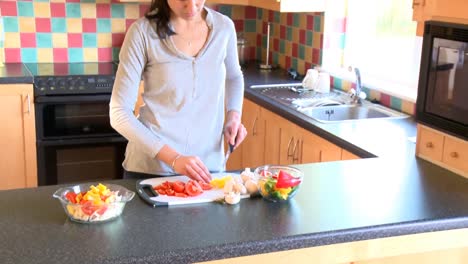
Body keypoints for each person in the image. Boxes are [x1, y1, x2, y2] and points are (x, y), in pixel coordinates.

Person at [109, 0, 247, 183]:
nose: (191, 6)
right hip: (151, 172)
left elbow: (234, 76)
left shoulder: (224, 27)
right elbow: (119, 114)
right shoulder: (142, 33)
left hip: (208, 170)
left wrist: (233, 116)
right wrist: (174, 159)